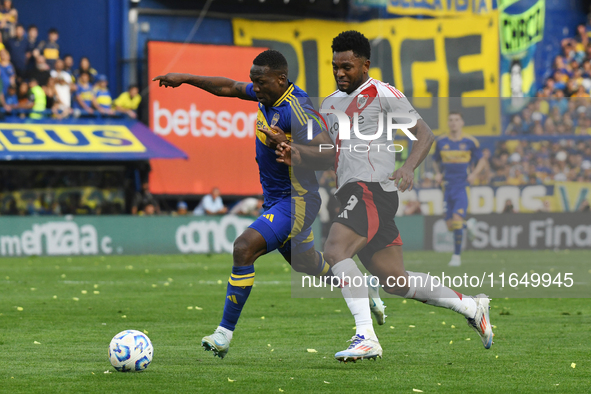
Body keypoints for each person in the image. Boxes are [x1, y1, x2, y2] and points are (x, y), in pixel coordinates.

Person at [267, 31, 493, 361]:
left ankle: (366, 336)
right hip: (351, 194)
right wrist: (296, 153)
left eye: (346, 66)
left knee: (334, 249)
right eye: (335, 66)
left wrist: (409, 167)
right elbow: (331, 153)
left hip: (373, 189)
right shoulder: (330, 104)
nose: (340, 72)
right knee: (395, 280)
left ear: (364, 64)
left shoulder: (383, 94)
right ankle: (472, 306)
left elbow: (424, 135)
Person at [153, 49, 385, 359]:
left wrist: (289, 146)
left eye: (260, 83)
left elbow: (329, 152)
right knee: (306, 264)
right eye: (254, 82)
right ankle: (360, 284)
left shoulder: (298, 110)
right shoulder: (268, 95)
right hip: (277, 201)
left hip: (297, 200)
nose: (255, 88)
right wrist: (185, 79)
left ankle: (223, 334)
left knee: (243, 247)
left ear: (280, 79)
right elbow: (229, 87)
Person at [433, 112, 487, 267]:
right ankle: (468, 225)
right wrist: (438, 173)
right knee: (450, 226)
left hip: (462, 186)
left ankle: (456, 256)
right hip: (447, 187)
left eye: (456, 120)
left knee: (456, 221)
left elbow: (481, 160)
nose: (453, 123)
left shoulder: (470, 142)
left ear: (462, 122)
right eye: (450, 120)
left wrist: (474, 174)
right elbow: (435, 161)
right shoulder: (441, 141)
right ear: (448, 123)